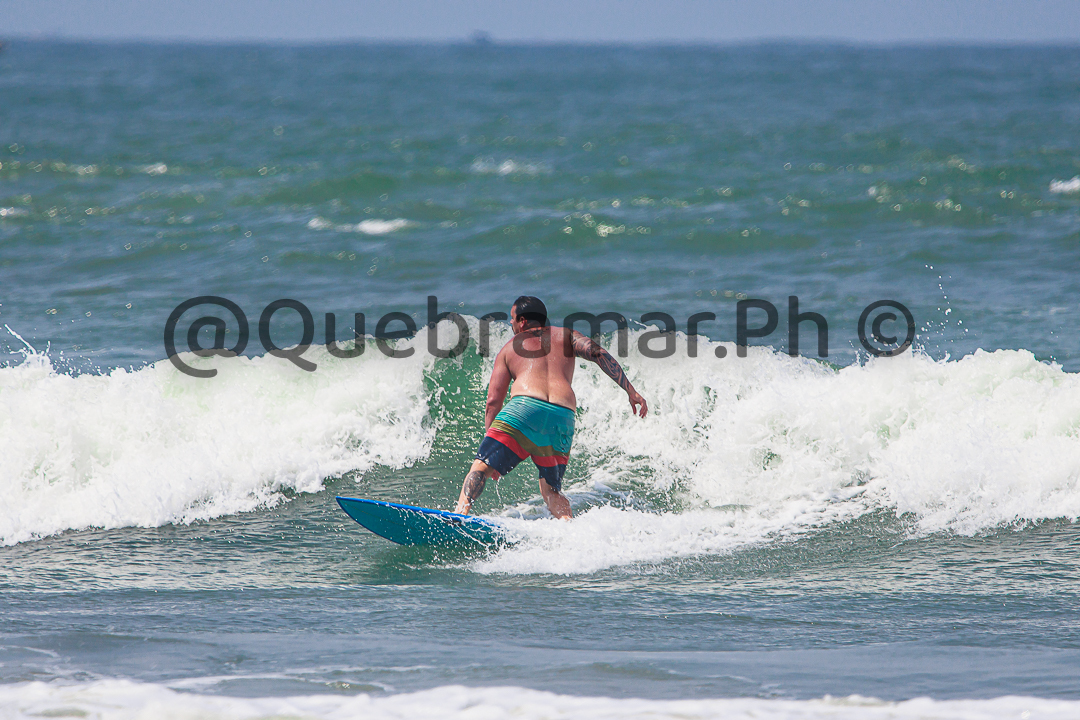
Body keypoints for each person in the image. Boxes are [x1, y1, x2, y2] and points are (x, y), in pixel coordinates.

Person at [454, 296, 648, 519]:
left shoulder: (509, 348)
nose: (510, 323)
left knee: (480, 467)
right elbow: (598, 353)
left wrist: (491, 450)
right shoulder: (567, 336)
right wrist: (630, 390)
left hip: (524, 408)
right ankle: (567, 526)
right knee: (551, 491)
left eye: (513, 318)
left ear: (523, 321)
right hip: (562, 416)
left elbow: (493, 402)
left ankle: (460, 514)